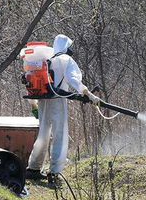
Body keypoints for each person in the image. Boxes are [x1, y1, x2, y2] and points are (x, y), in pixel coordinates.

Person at [26, 34, 100, 187]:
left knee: (43, 134)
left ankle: (33, 168)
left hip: (43, 100)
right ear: (66, 47)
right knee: (60, 135)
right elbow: (74, 80)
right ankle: (54, 173)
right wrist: (88, 94)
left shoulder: (46, 60)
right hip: (58, 100)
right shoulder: (66, 60)